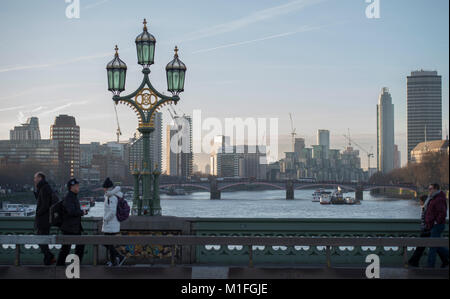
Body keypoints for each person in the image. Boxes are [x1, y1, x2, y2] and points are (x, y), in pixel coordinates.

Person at [408, 195, 447, 267]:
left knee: (422, 246)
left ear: (423, 201)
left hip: (427, 230)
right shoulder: (426, 208)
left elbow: (428, 220)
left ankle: (413, 262)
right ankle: (445, 260)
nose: (419, 202)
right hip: (427, 230)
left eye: (420, 201)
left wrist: (426, 228)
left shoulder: (427, 209)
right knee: (434, 246)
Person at [56, 178, 87, 266]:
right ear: (71, 187)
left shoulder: (72, 196)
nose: (78, 187)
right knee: (67, 247)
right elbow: (71, 211)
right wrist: (82, 212)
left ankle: (63, 264)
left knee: (74, 246)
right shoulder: (69, 197)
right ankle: (61, 265)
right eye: (77, 186)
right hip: (69, 228)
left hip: (74, 227)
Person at [102, 177, 126, 267]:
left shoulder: (111, 197)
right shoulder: (110, 195)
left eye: (104, 187)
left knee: (106, 242)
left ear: (107, 188)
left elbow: (112, 211)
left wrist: (105, 219)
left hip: (110, 224)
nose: (103, 189)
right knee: (109, 243)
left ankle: (119, 257)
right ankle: (114, 261)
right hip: (111, 224)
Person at [424, 183, 449, 268]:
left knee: (432, 246)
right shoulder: (433, 198)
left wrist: (436, 222)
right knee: (436, 245)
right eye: (429, 189)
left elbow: (443, 213)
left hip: (437, 226)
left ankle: (430, 266)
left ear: (436, 189)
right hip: (431, 225)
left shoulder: (439, 199)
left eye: (430, 189)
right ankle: (446, 261)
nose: (429, 190)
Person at [33, 172, 55, 265]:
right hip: (43, 219)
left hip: (44, 219)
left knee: (41, 239)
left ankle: (50, 257)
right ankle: (48, 259)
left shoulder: (45, 188)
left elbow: (45, 204)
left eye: (35, 178)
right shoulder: (42, 187)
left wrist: (38, 213)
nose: (34, 180)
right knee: (42, 240)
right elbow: (41, 201)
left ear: (40, 178)